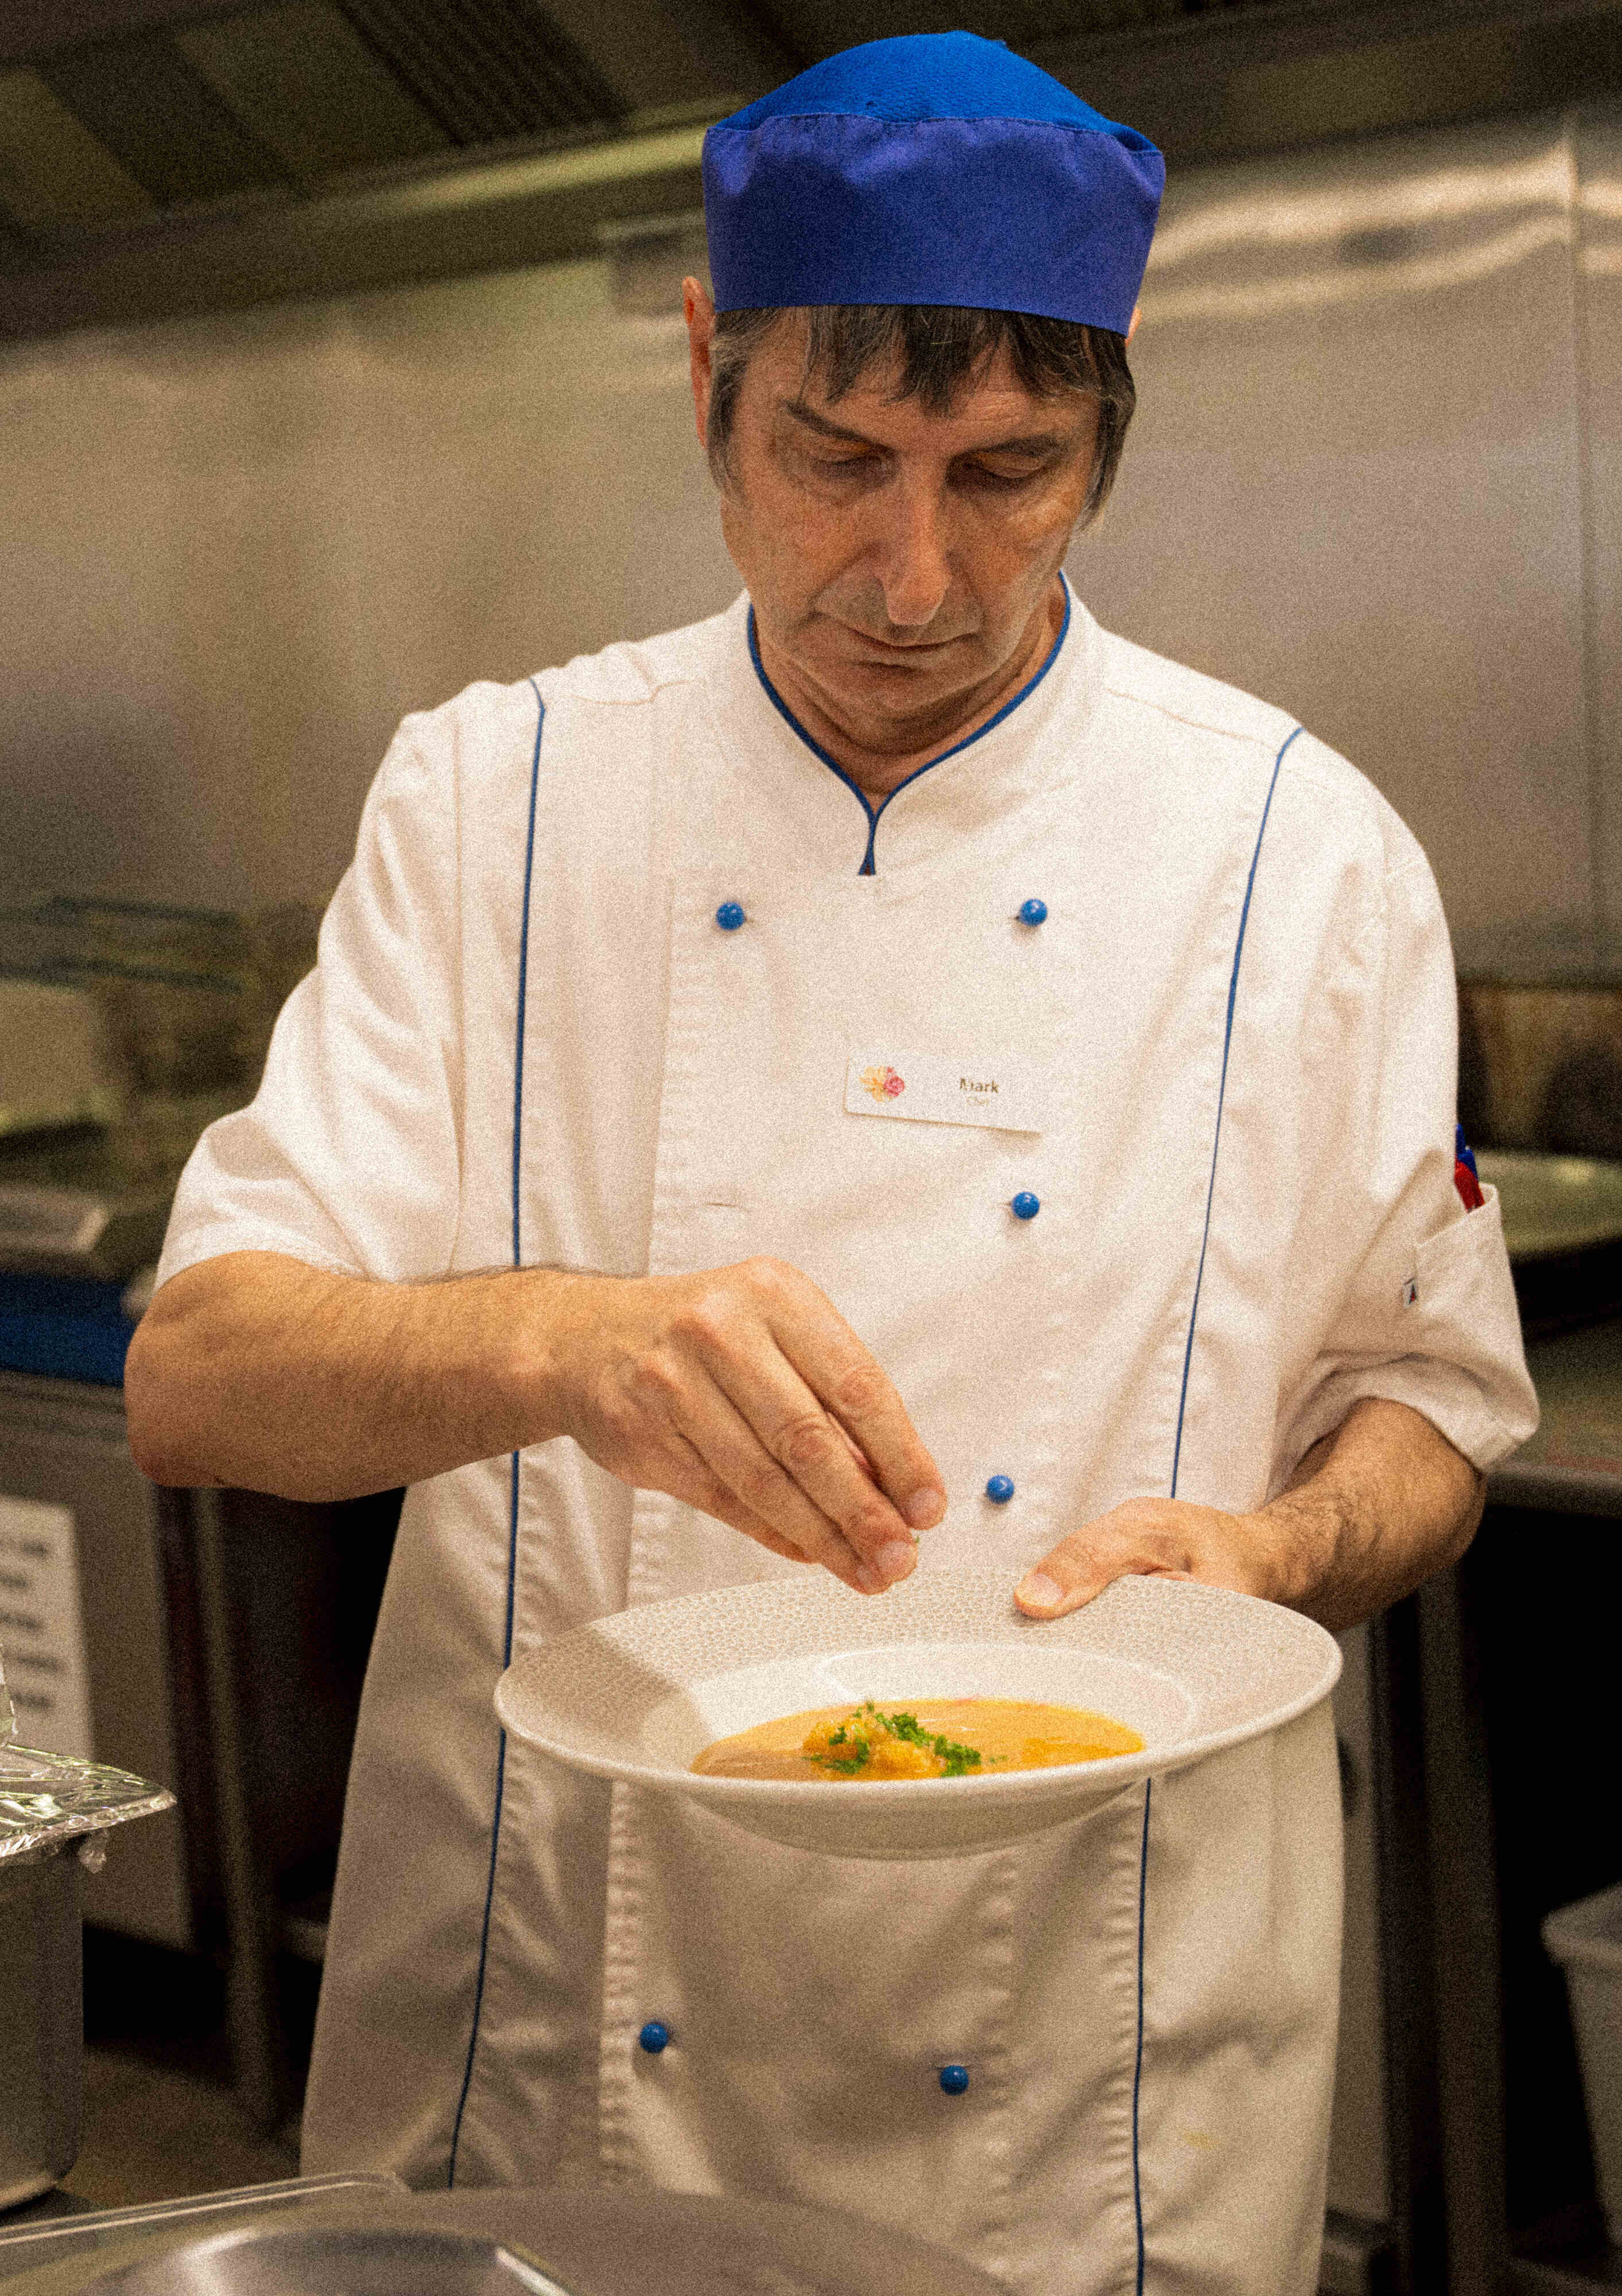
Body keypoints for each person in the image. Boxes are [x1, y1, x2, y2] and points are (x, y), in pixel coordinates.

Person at [125, 31, 1535, 2295]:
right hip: (541, 2069)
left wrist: (1280, 1545)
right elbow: (195, 1376)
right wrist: (564, 1344)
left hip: (1100, 2104)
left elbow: (1431, 1412)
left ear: (1107, 422)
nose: (910, 572)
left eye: (1008, 471)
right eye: (833, 455)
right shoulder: (496, 805)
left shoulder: (1305, 858)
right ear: (704, 372)